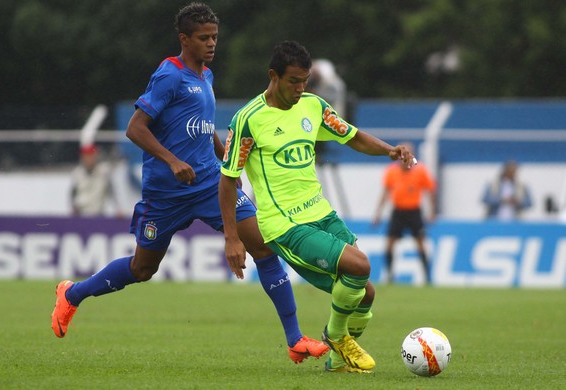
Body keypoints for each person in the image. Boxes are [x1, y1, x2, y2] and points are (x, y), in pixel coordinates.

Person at [51, 3, 327, 364]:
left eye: (214, 36)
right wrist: (172, 160)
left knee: (263, 246)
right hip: (165, 194)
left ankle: (295, 339)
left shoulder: (206, 76)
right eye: (203, 38)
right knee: (142, 269)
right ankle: (72, 295)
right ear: (185, 39)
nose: (212, 43)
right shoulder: (169, 74)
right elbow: (135, 128)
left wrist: (226, 158)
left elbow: (201, 124)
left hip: (210, 184)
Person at [218, 40, 415, 373]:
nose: (300, 88)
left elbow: (350, 136)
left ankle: (338, 361)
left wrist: (388, 151)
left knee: (366, 295)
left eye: (305, 81)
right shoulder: (248, 120)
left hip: (321, 213)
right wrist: (232, 237)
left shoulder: (313, 106)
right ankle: (335, 335)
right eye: (294, 81)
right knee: (359, 265)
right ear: (273, 76)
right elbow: (227, 179)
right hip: (285, 225)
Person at [372, 142, 437, 284]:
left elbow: (430, 191)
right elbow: (385, 193)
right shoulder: (391, 172)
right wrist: (378, 213)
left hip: (414, 212)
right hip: (398, 212)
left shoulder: (420, 171)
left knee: (420, 244)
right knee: (389, 244)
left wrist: (432, 211)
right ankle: (390, 276)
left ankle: (427, 277)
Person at [70, 144, 122, 217]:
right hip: (81, 215)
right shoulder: (77, 174)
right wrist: (73, 209)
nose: (89, 159)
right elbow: (73, 194)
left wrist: (117, 208)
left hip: (98, 215)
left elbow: (111, 192)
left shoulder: (103, 172)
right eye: (86, 156)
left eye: (91, 156)